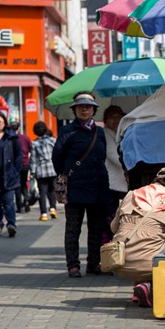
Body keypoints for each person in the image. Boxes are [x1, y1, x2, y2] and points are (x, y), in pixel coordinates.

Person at [112, 166, 165, 307]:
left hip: (118, 262)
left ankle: (141, 286)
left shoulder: (131, 195)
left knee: (144, 245)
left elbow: (114, 228)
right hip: (148, 266)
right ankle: (150, 287)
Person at [52, 92, 110, 278]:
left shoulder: (100, 132)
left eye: (88, 106)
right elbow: (57, 158)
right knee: (73, 229)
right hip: (75, 187)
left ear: (94, 110)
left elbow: (102, 156)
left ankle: (93, 263)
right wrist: (68, 175)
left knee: (96, 228)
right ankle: (73, 265)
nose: (84, 109)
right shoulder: (67, 131)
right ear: (74, 110)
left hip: (98, 186)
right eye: (80, 106)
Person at [0, 111, 22, 237]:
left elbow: (18, 155)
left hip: (8, 175)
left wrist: (15, 171)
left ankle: (11, 224)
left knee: (8, 201)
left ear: (4, 123)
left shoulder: (11, 137)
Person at [102, 105, 128, 241]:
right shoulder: (106, 134)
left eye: (119, 117)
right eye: (112, 117)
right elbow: (114, 156)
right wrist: (131, 163)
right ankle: (111, 244)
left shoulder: (121, 134)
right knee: (112, 216)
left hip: (120, 182)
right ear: (105, 120)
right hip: (111, 183)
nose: (116, 120)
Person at [29, 121, 57, 221]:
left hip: (41, 170)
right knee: (52, 189)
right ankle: (53, 208)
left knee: (42, 192)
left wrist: (32, 172)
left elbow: (33, 159)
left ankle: (44, 214)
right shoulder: (52, 140)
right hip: (52, 168)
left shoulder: (34, 143)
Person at [10, 121, 31, 214]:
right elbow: (30, 149)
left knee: (17, 185)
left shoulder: (10, 138)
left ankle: (19, 206)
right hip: (25, 163)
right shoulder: (25, 138)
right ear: (18, 128)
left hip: (14, 165)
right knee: (24, 183)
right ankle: (26, 200)